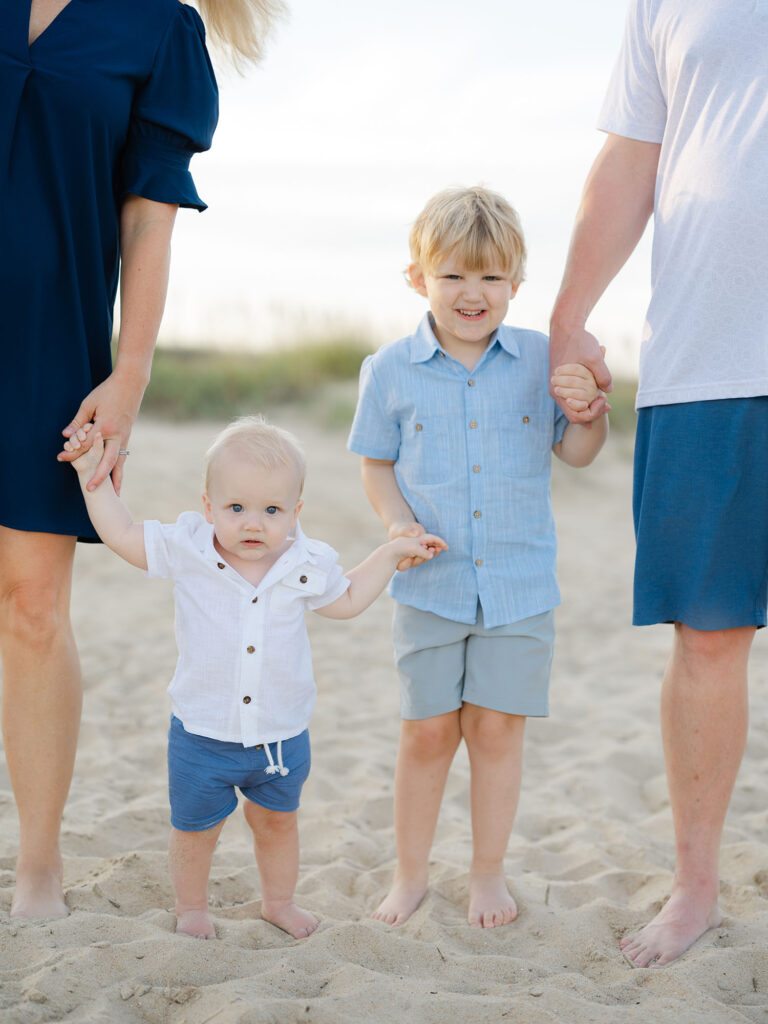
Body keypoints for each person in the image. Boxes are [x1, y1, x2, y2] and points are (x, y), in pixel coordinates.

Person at [0, 0, 284, 920]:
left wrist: (128, 372)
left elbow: (148, 225)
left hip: (48, 347)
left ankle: (38, 867)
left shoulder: (158, 31)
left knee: (31, 607)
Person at [549, 0, 768, 968]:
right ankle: (696, 890)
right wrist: (568, 315)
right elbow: (630, 159)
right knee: (709, 632)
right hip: (703, 359)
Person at [62, 416, 447, 939]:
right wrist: (94, 475)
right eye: (236, 508)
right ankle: (192, 909)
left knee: (278, 823)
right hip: (202, 733)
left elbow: (349, 598)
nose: (252, 523)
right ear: (208, 507)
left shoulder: (304, 562)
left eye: (271, 510)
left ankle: (278, 902)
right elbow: (123, 534)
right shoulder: (189, 549)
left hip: (281, 736)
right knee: (195, 830)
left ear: (295, 513)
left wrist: (389, 554)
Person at [347, 186, 608, 928]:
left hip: (521, 587)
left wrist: (589, 414)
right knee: (427, 731)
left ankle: (487, 874)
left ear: (515, 286)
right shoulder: (389, 369)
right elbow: (374, 464)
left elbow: (578, 451)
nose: (473, 293)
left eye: (491, 277)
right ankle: (409, 874)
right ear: (418, 278)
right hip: (429, 586)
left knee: (496, 731)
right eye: (454, 274)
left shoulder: (541, 360)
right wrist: (397, 525)